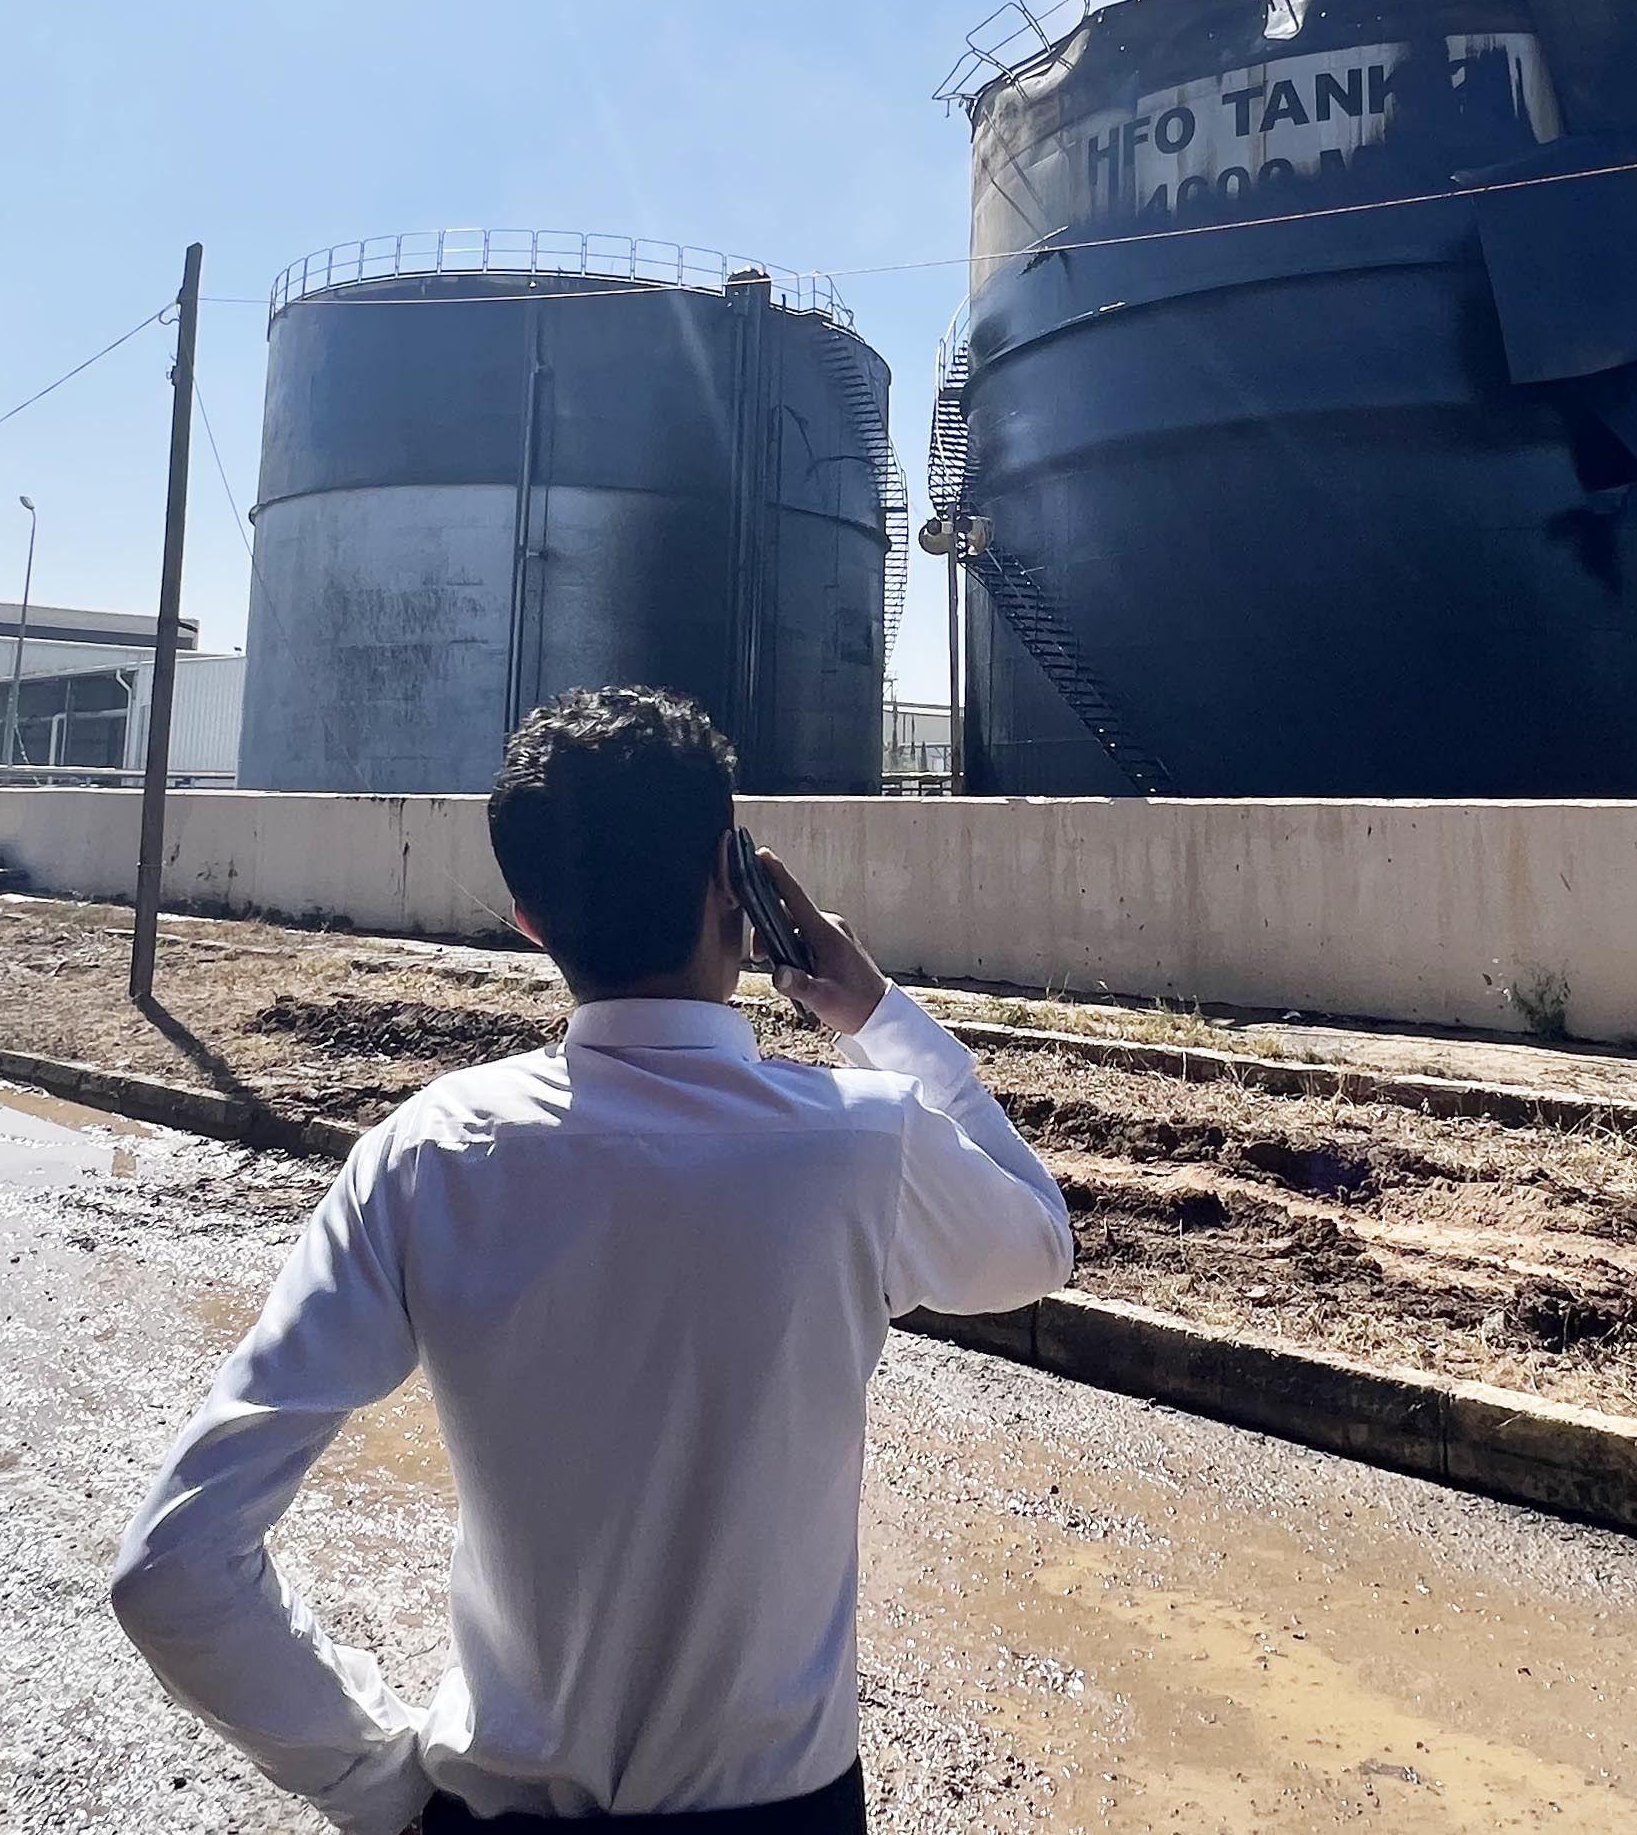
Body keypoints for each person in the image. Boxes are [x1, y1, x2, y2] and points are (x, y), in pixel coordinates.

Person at [110, 687, 1074, 1831]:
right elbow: (1038, 1245)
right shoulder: (862, 1141)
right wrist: (873, 1013)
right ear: (738, 881)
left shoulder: (425, 1154)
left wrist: (377, 1782)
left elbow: (172, 1569)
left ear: (529, 920)